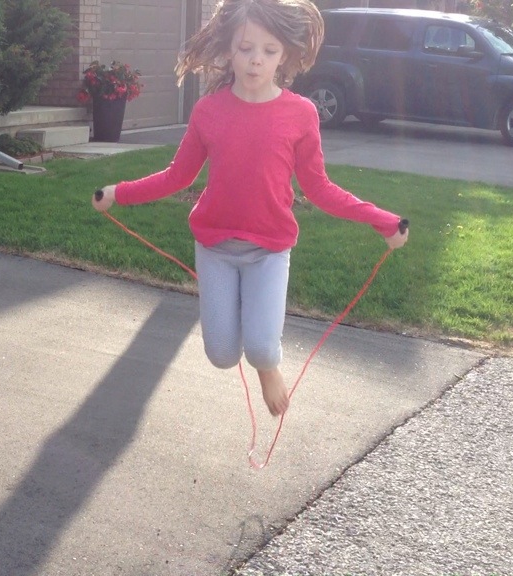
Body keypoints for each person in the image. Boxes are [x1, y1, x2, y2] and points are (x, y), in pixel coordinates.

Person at [92, 0, 408, 417]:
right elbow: (177, 177)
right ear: (229, 50)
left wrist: (383, 220)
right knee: (222, 354)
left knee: (260, 348)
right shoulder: (208, 111)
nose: (256, 59)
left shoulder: (300, 113)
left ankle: (266, 364)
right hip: (215, 249)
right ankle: (251, 325)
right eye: (245, 48)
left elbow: (319, 188)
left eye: (269, 50)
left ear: (285, 55)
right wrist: (118, 192)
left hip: (269, 251)